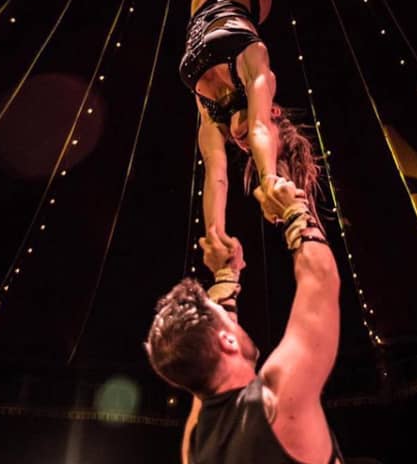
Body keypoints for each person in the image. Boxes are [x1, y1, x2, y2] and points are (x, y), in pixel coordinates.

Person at [145, 178, 343, 464]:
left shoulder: (195, 446)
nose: (233, 322)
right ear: (226, 340)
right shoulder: (275, 400)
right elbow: (320, 278)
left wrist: (226, 277)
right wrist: (294, 212)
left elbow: (202, 372)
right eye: (227, 322)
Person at [179, 0, 319, 235]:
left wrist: (215, 233)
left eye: (245, 151)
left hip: (202, 11)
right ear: (273, 112)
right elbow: (257, 128)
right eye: (259, 148)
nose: (243, 145)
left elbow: (216, 173)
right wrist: (269, 178)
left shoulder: (211, 112)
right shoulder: (258, 72)